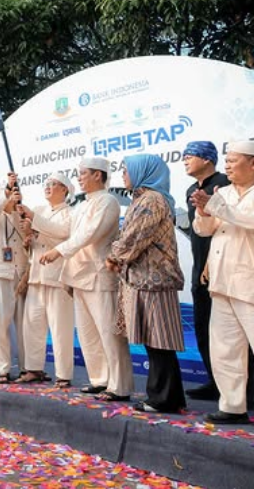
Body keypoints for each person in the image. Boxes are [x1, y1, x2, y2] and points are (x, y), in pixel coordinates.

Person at [41, 157, 134, 402]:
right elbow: (64, 231)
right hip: (78, 275)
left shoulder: (108, 202)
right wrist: (33, 218)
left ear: (98, 175)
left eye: (83, 173)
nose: (79, 178)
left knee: (108, 332)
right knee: (87, 334)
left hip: (99, 275)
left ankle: (119, 385)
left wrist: (58, 251)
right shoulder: (82, 205)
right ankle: (99, 379)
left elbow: (89, 234)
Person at [106, 155, 186, 413]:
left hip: (155, 280)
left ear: (143, 171)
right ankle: (168, 396)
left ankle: (163, 398)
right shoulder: (142, 199)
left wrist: (113, 256)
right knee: (156, 340)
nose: (123, 175)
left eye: (127, 170)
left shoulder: (151, 200)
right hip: (146, 279)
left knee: (159, 340)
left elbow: (133, 237)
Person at [182, 141, 252, 402]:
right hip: (218, 280)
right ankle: (232, 404)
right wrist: (203, 211)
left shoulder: (228, 193)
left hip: (247, 280)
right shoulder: (225, 192)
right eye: (228, 160)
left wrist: (214, 205)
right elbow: (204, 230)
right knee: (224, 347)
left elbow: (247, 220)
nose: (228, 165)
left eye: (234, 160)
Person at [17, 173, 74, 387]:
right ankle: (34, 369)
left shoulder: (70, 213)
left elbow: (62, 234)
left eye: (54, 184)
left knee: (60, 328)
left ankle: (64, 374)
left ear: (65, 190)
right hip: (36, 277)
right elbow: (37, 239)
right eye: (46, 184)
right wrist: (29, 238)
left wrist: (34, 221)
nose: (48, 187)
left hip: (58, 277)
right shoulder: (40, 211)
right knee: (32, 324)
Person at [0, 172, 30, 382]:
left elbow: (30, 244)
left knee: (24, 325)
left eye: (15, 194)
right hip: (1, 273)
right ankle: (0, 367)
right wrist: (6, 190)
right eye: (8, 195)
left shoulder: (21, 216)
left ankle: (27, 367)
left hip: (21, 274)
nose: (12, 198)